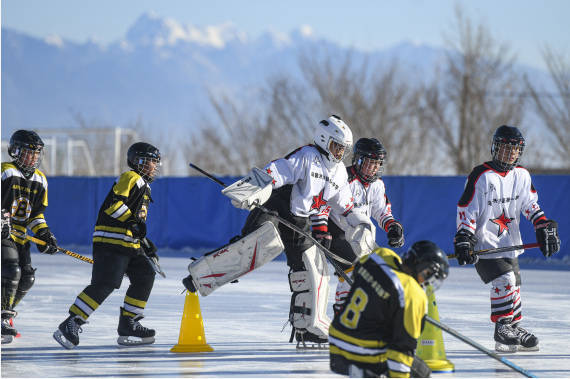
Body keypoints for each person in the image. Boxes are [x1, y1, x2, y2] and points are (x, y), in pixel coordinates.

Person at [183, 115, 374, 347]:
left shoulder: (339, 174)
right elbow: (276, 171)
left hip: (299, 220)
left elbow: (345, 205)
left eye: (343, 149)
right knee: (252, 247)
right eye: (337, 146)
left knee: (314, 268)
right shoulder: (307, 156)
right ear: (324, 140)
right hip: (275, 207)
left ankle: (308, 326)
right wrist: (252, 191)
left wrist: (361, 223)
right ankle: (199, 277)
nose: (340, 153)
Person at [454, 125, 560, 353]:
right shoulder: (481, 175)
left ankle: (513, 327)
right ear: (495, 147)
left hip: (510, 245)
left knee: (515, 288)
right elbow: (467, 209)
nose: (509, 153)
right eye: (504, 148)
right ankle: (502, 328)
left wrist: (542, 224)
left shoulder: (521, 175)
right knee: (506, 282)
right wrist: (465, 236)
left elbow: (530, 205)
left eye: (514, 149)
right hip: (486, 246)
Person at [53, 142, 162, 349]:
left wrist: (144, 242)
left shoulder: (145, 186)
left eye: (156, 162)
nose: (154, 166)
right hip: (110, 241)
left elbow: (136, 223)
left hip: (128, 244)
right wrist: (132, 222)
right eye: (151, 161)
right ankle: (71, 322)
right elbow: (114, 205)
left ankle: (128, 322)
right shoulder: (131, 177)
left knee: (145, 273)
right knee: (106, 283)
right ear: (138, 161)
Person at [329, 241, 449, 378]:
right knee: (422, 372)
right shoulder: (413, 292)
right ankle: (367, 372)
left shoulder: (380, 255)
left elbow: (357, 270)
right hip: (364, 354)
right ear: (418, 265)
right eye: (427, 275)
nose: (426, 282)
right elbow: (403, 348)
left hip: (336, 348)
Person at [327, 137, 404, 312]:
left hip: (361, 236)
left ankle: (360, 316)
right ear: (358, 160)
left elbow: (382, 211)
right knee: (354, 271)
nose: (374, 168)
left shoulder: (377, 184)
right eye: (370, 162)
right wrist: (321, 229)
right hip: (337, 232)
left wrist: (392, 226)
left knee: (374, 273)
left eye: (378, 164)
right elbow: (324, 205)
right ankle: (342, 314)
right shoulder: (343, 179)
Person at [1, 130, 60, 344]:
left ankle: (4, 313)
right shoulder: (6, 172)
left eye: (37, 154)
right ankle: (3, 318)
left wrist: (44, 234)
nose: (34, 157)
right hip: (3, 233)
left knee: (27, 277)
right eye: (29, 152)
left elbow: (35, 215)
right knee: (11, 270)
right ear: (15, 151)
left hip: (21, 236)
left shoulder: (40, 180)